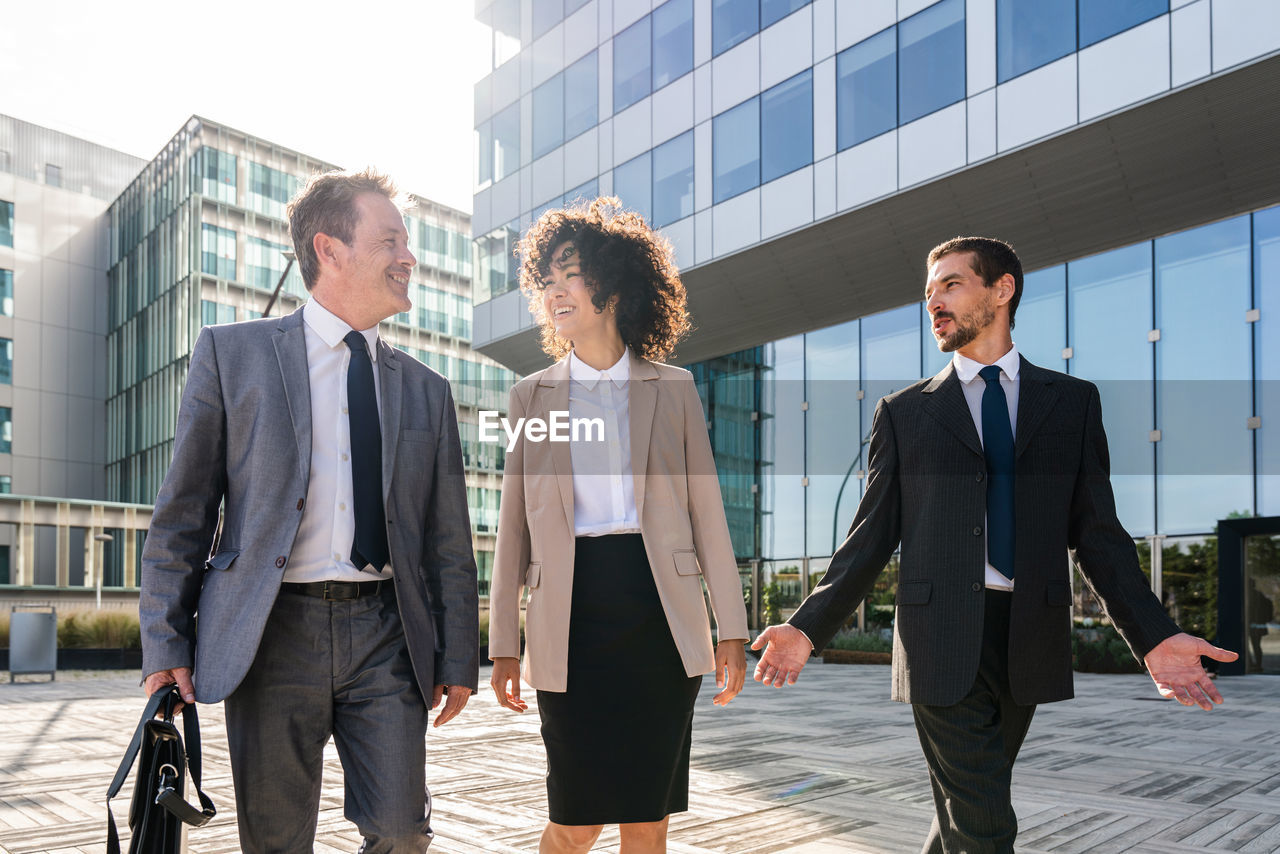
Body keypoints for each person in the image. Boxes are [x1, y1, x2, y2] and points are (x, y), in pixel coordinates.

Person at [751, 236, 1239, 854]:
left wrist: (1152, 636)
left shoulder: (1071, 404)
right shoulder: (905, 414)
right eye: (929, 294)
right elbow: (869, 535)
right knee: (984, 821)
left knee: (965, 811)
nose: (934, 304)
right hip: (938, 638)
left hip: (1025, 636)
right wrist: (805, 625)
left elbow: (1098, 534)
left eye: (951, 285)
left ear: (1001, 290)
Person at [139, 168, 479, 853]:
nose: (408, 258)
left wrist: (459, 654)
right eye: (391, 241)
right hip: (269, 634)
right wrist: (164, 642)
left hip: (387, 632)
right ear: (330, 250)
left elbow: (448, 539)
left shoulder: (427, 390)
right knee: (276, 840)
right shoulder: (231, 356)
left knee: (400, 831)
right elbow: (184, 513)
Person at [488, 198, 749, 854]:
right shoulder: (531, 397)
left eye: (570, 274)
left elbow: (708, 516)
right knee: (575, 821)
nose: (555, 290)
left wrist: (733, 630)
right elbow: (512, 531)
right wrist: (504, 645)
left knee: (646, 818)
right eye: (545, 280)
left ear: (613, 282)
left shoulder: (674, 388)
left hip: (661, 616)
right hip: (568, 616)